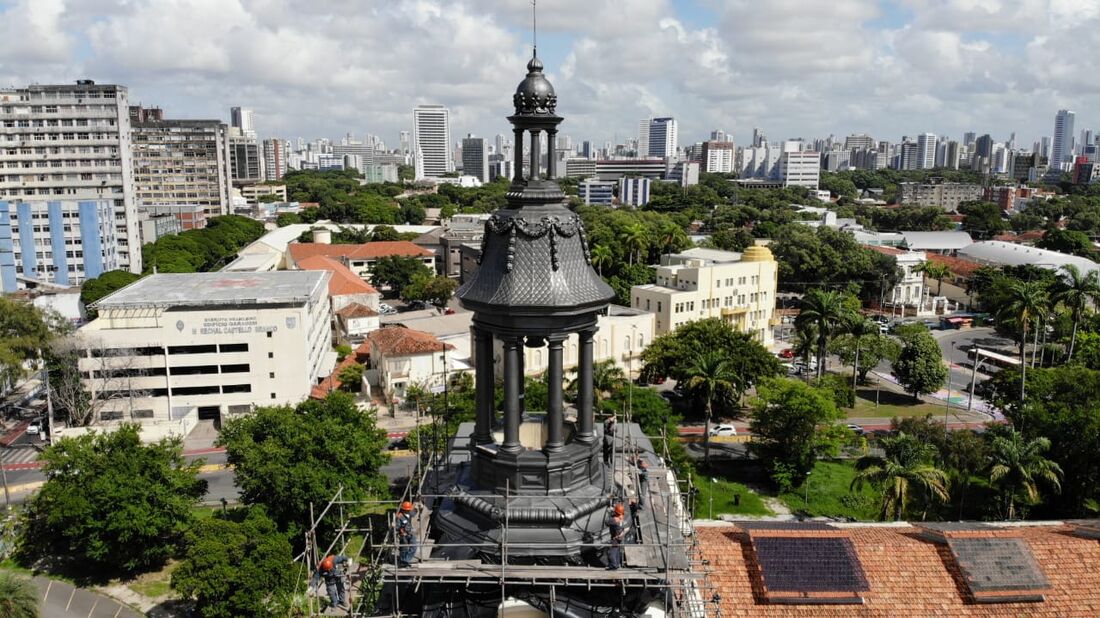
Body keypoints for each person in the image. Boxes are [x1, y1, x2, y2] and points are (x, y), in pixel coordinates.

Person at [395, 501, 417, 567]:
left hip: (410, 533)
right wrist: (395, 526)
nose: (407, 511)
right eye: (406, 510)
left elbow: (415, 512)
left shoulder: (410, 513)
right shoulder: (400, 516)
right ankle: (403, 562)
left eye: (408, 510)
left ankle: (406, 560)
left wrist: (418, 507)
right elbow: (397, 527)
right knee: (403, 549)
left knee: (414, 547)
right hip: (403, 535)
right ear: (403, 509)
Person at [607, 503, 626, 570]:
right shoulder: (622, 517)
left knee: (611, 552)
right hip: (620, 537)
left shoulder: (614, 520)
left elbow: (607, 522)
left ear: (616, 512)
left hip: (615, 538)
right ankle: (617, 564)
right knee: (616, 551)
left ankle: (613, 565)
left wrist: (610, 513)